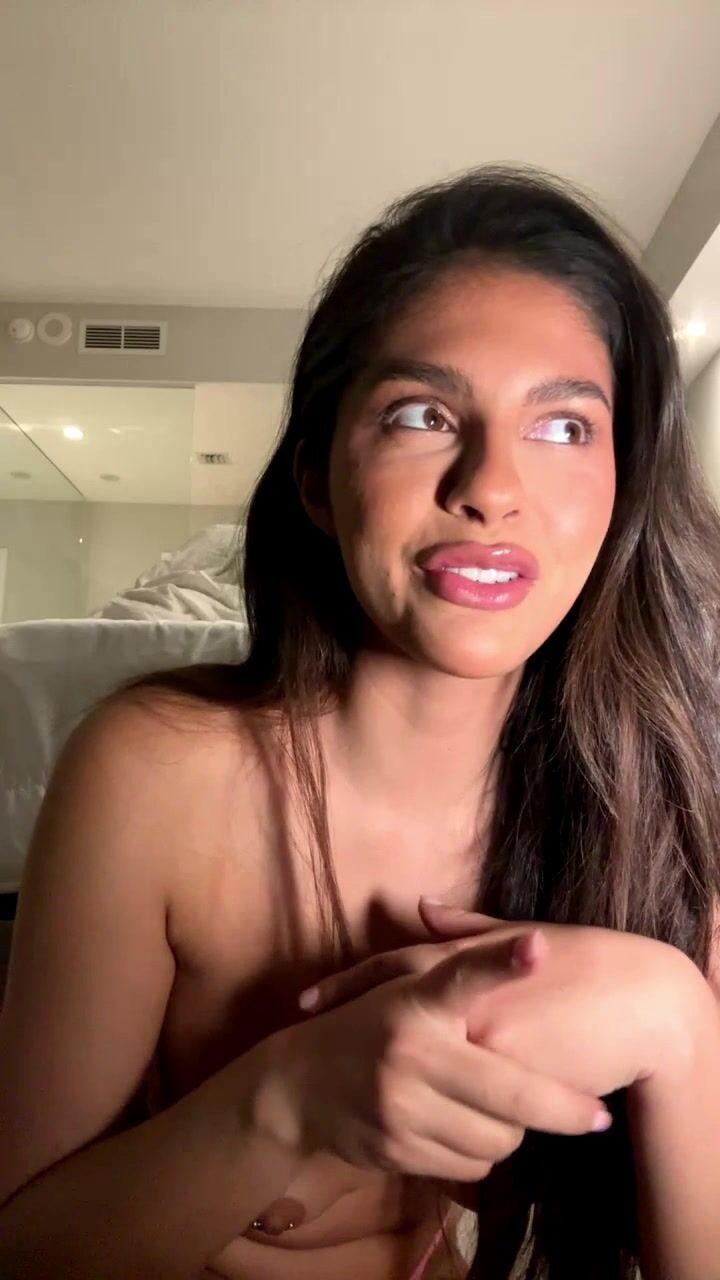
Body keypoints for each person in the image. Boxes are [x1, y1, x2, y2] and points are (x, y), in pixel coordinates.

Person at [1, 166, 720, 1280]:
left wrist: (677, 1018)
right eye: (423, 414)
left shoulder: (666, 807)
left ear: (624, 487)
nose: (491, 485)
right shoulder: (152, 773)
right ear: (316, 480)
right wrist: (289, 1098)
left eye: (564, 425)